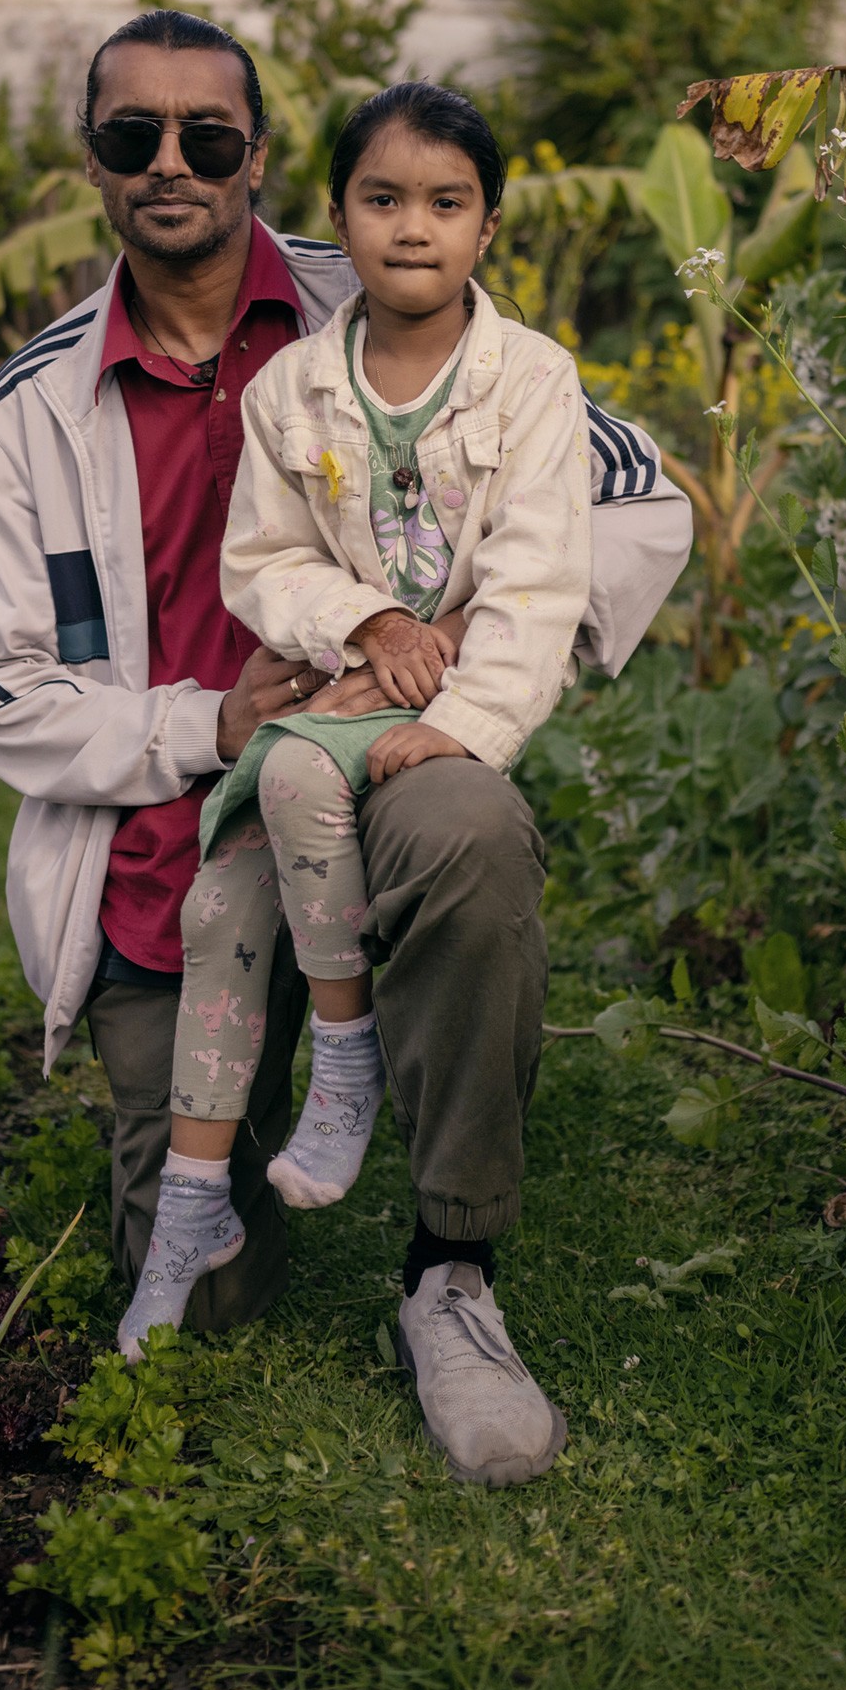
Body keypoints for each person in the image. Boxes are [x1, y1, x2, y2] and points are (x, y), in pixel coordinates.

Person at [0, 7, 690, 1488]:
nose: (169, 161)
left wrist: (450, 652)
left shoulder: (400, 314)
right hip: (182, 831)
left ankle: (448, 1270)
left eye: (205, 135)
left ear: (261, 160)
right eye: (129, 133)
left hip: (387, 757)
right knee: (204, 1298)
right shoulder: (31, 411)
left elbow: (634, 495)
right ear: (92, 159)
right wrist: (197, 721)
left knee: (468, 836)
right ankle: (253, 1128)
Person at [118, 84, 592, 1370]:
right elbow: (263, 558)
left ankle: (348, 1070)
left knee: (301, 797)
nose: (413, 229)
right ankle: (196, 1205)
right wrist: (369, 618)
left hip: (433, 718)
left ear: (489, 225)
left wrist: (471, 721)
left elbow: (543, 575)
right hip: (338, 691)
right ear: (337, 216)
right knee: (218, 911)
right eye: (382, 200)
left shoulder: (535, 381)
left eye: (447, 203)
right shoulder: (293, 391)